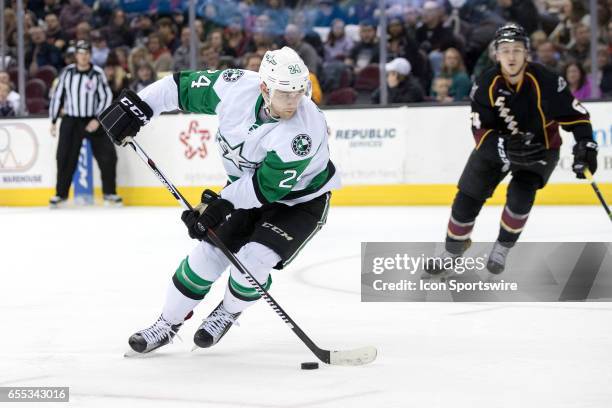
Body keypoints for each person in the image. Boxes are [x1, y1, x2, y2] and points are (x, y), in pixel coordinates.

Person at [98, 46, 340, 354]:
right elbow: (180, 87)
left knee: (251, 262)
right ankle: (166, 323)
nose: (294, 101)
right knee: (206, 259)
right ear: (264, 87)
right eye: (285, 93)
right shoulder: (235, 86)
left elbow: (265, 189)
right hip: (242, 189)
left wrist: (217, 205)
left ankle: (227, 311)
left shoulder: (303, 133)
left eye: (298, 92)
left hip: (299, 203)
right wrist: (141, 106)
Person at [426, 23, 597, 275]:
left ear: (526, 53)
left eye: (517, 50)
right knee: (467, 198)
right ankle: (453, 250)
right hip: (495, 146)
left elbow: (578, 117)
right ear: (496, 54)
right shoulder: (485, 84)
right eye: (505, 50)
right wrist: (504, 148)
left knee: (520, 196)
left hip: (540, 147)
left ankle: (502, 248)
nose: (512, 56)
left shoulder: (548, 81)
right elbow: (479, 131)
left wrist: (586, 146)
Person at [48, 40, 122, 208]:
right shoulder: (66, 73)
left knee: (108, 156)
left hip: (92, 120)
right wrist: (53, 120)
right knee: (64, 158)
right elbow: (57, 96)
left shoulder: (97, 73)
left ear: (90, 55)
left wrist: (98, 119)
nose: (84, 56)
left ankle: (110, 193)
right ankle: (61, 194)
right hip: (71, 120)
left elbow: (105, 97)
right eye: (80, 53)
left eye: (87, 53)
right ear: (76, 55)